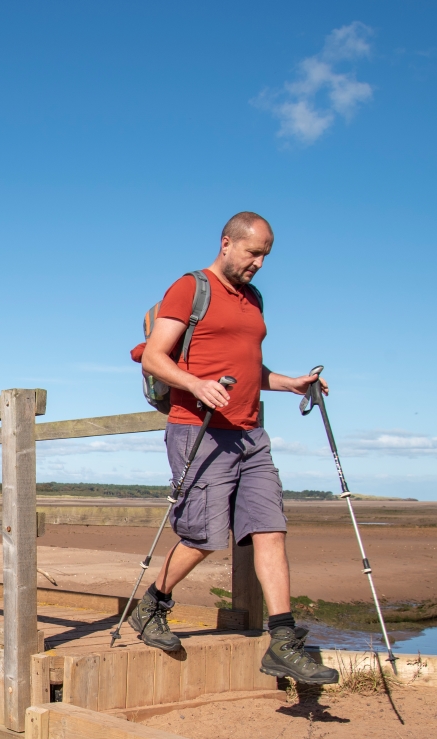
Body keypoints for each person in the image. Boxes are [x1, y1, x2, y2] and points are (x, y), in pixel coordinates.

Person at [131, 212, 338, 686]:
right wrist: (196, 385)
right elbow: (156, 357)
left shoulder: (254, 298)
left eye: (266, 255)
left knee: (270, 529)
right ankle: (151, 606)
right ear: (227, 243)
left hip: (249, 435)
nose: (260, 263)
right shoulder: (190, 288)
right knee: (204, 537)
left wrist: (292, 384)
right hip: (198, 429)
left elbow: (251, 369)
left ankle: (282, 643)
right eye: (254, 253)